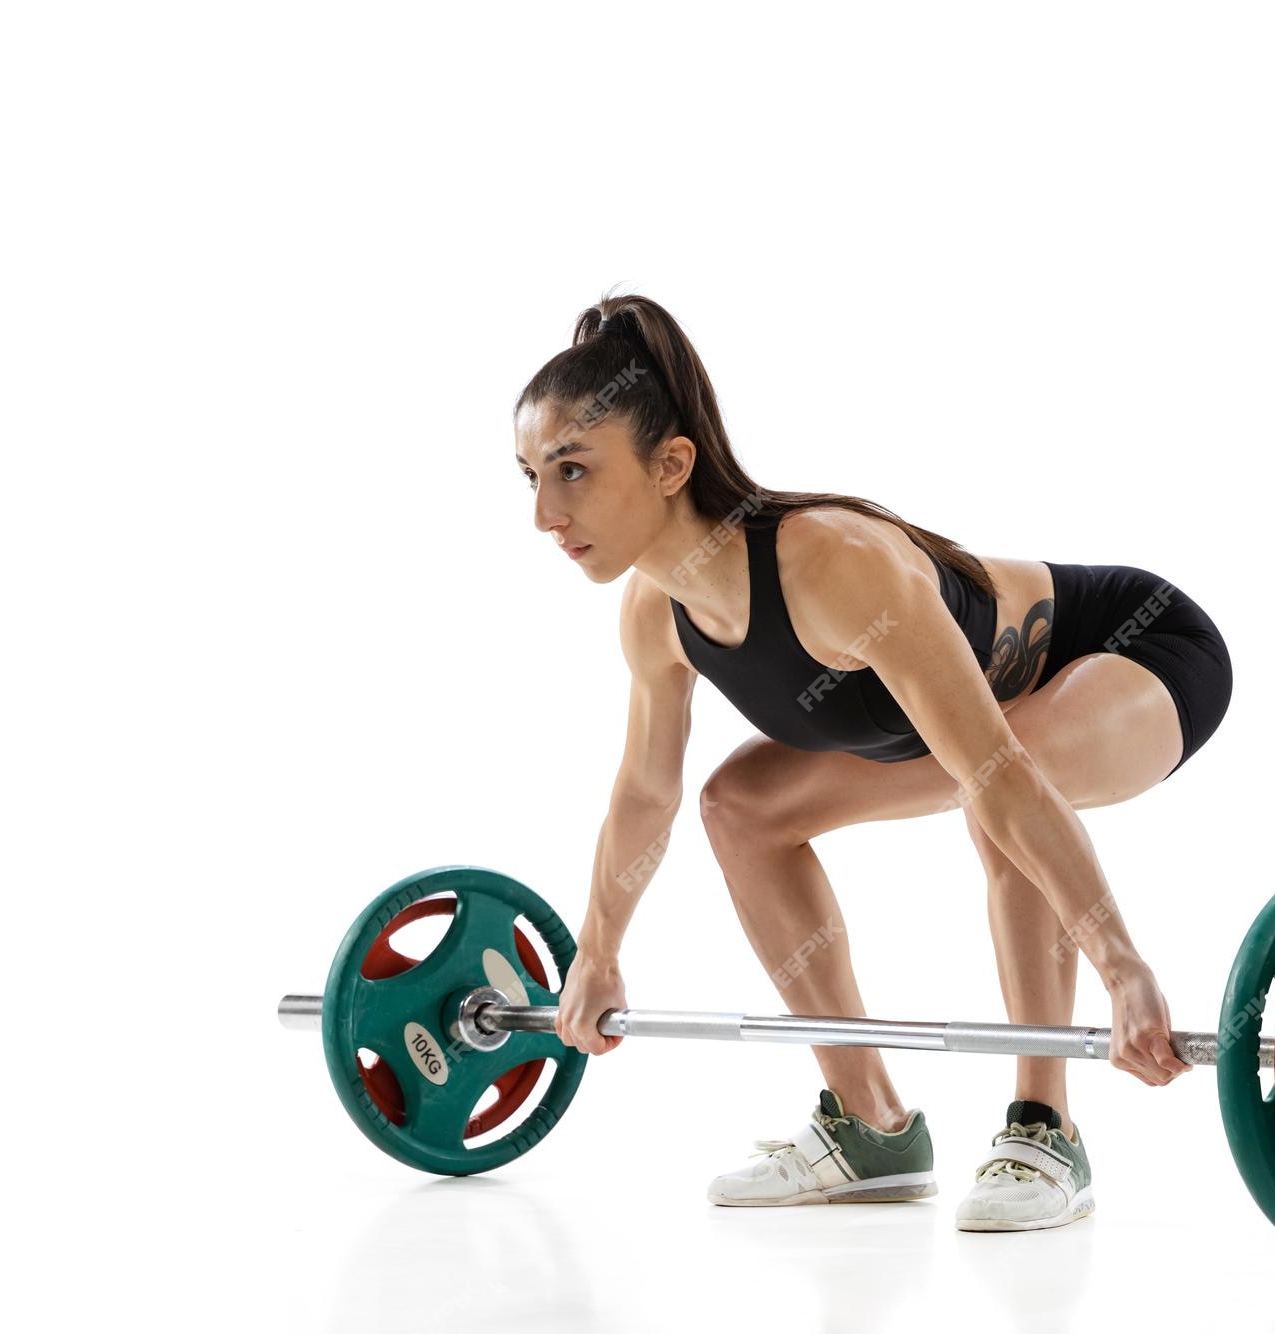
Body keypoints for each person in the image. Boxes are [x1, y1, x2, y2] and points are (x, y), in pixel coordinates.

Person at [515, 292, 1233, 1232]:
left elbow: (1000, 775)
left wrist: (1123, 968)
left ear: (671, 465)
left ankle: (1044, 1127)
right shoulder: (658, 615)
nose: (542, 513)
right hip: (995, 732)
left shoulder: (830, 567)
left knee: (1005, 778)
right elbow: (648, 792)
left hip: (1138, 653)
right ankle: (871, 1125)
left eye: (572, 471)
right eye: (528, 474)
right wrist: (597, 955)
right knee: (739, 806)